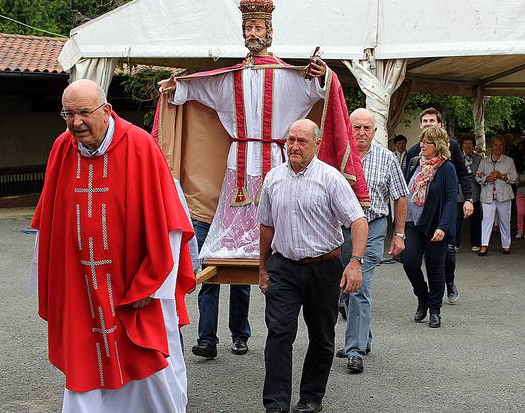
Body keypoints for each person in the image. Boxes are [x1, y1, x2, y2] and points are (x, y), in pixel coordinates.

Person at [157, 0, 369, 359]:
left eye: (259, 28)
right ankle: (211, 334)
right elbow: (196, 90)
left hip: (275, 157)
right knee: (221, 252)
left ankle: (244, 324)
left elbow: (320, 89)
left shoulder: (288, 75)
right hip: (237, 159)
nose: (254, 33)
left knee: (269, 223)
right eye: (249, 28)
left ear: (270, 31)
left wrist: (321, 74)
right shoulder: (231, 77)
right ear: (243, 32)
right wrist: (175, 87)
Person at [30, 80, 195, 412]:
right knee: (84, 360)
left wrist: (153, 283)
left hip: (133, 287)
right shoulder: (63, 148)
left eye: (84, 113)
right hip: (82, 287)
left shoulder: (139, 146)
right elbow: (49, 223)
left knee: (145, 361)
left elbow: (168, 224)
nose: (76, 122)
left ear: (106, 111)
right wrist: (54, 285)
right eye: (68, 114)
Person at [257, 119, 368, 413]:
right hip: (283, 267)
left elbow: (358, 221)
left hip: (324, 267)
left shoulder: (330, 179)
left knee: (321, 335)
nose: (294, 146)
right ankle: (276, 404)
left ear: (317, 145)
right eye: (290, 139)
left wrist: (355, 263)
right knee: (279, 334)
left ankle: (310, 397)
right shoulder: (273, 178)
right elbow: (266, 226)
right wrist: (263, 268)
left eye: (302, 141)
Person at [335, 109, 407, 374]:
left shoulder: (388, 159)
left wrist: (399, 234)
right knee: (343, 288)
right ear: (347, 128)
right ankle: (362, 336)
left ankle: (354, 350)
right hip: (342, 229)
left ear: (375, 132)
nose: (362, 133)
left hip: (373, 227)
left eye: (367, 128)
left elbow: (400, 197)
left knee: (358, 285)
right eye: (356, 128)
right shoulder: (339, 159)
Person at [404, 107, 473, 304]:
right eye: (424, 121)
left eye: (431, 121)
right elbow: (407, 182)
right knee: (412, 260)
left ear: (439, 124)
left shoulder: (452, 148)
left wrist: (468, 198)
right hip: (417, 217)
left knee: (447, 254)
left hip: (442, 212)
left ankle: (449, 282)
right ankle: (426, 295)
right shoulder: (415, 152)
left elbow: (462, 173)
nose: (428, 124)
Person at [403, 126, 458, 328]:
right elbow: (405, 191)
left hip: (436, 226)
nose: (422, 145)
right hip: (413, 223)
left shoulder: (447, 168)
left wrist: (443, 226)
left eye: (427, 142)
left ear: (439, 145)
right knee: (409, 262)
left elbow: (451, 200)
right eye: (422, 141)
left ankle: (435, 309)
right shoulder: (415, 163)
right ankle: (423, 297)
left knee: (435, 269)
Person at [476, 137, 517, 255]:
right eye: (495, 145)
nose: (498, 147)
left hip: (504, 195)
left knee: (505, 221)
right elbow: (477, 177)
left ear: (503, 147)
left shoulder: (509, 161)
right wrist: (486, 178)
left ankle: (506, 245)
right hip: (488, 195)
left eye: (500, 145)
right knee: (486, 220)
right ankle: (484, 245)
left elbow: (514, 178)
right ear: (491, 147)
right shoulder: (484, 161)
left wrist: (502, 176)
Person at [458, 135, 483, 252]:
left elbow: (481, 173)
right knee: (456, 219)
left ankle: (476, 242)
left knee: (475, 219)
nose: (468, 145)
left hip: (474, 190)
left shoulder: (479, 158)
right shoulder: (456, 157)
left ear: (473, 145)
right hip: (459, 191)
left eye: (470, 143)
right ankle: (455, 243)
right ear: (462, 145)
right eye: (465, 143)